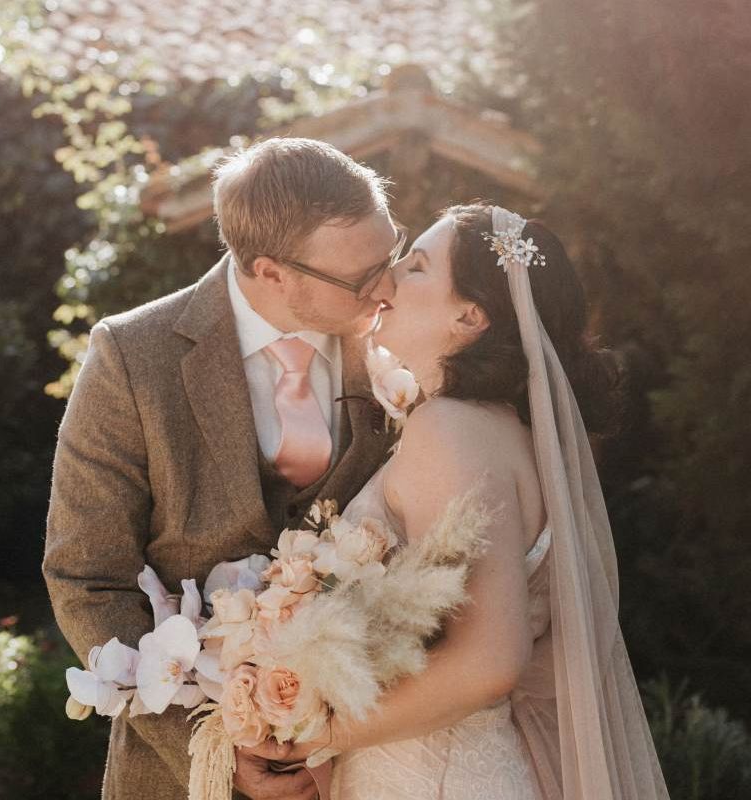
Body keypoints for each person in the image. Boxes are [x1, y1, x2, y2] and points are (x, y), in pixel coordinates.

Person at [42, 137, 405, 800]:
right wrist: (214, 744)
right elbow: (88, 578)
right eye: (360, 278)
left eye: (393, 255)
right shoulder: (131, 358)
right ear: (270, 272)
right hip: (177, 771)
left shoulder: (405, 335)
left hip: (381, 757)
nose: (387, 288)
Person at [282, 203, 670, 799]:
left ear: (470, 315)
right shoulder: (500, 430)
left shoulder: (450, 428)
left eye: (415, 268)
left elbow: (489, 661)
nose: (386, 280)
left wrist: (308, 736)